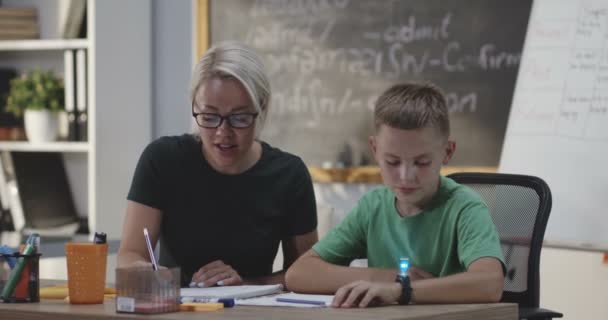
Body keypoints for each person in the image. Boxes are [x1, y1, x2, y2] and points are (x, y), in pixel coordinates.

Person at [117, 41, 318, 287]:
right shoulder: (162, 160)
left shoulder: (289, 175)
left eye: (239, 118)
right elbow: (129, 255)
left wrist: (245, 284)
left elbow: (308, 274)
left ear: (262, 106)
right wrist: (145, 271)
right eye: (209, 117)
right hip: (178, 309)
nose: (223, 133)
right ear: (195, 106)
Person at [285, 82, 505, 307]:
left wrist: (403, 291)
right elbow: (299, 274)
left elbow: (490, 283)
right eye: (392, 162)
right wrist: (386, 278)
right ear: (375, 149)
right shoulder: (373, 207)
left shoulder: (465, 208)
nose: (406, 176)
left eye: (421, 162)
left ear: (447, 152)